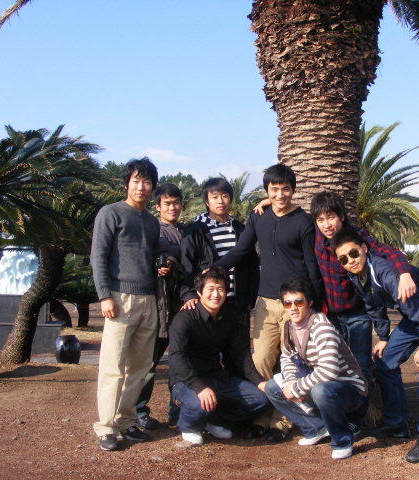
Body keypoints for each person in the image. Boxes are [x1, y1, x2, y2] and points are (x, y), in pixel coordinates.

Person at [330, 228, 419, 464]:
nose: (350, 261)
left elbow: (418, 307)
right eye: (343, 259)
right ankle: (396, 423)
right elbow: (373, 305)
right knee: (384, 361)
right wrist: (383, 337)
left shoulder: (385, 272)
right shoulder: (357, 276)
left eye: (353, 253)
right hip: (417, 316)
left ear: (364, 248)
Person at [213, 164, 324, 442]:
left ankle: (281, 421)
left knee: (290, 362)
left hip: (294, 305)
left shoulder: (303, 221)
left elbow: (311, 265)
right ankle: (260, 417)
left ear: (293, 190)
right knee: (261, 360)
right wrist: (215, 269)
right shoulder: (258, 216)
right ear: (267, 191)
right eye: (274, 189)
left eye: (286, 189)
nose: (280, 194)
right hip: (265, 301)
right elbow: (242, 249)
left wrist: (317, 304)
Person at [309, 192, 416, 435]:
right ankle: (337, 417)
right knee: (333, 367)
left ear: (342, 216)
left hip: (358, 315)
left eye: (331, 217)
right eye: (321, 219)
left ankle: (357, 420)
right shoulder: (315, 236)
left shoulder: (356, 237)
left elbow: (388, 252)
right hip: (331, 317)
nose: (327, 224)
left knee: (360, 368)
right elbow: (288, 212)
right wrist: (268, 201)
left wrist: (404, 273)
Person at [90, 157, 168, 452]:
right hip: (119, 299)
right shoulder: (110, 213)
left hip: (148, 299)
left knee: (139, 367)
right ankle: (106, 428)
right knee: (113, 367)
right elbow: (98, 256)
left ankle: (126, 420)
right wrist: (104, 296)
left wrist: (168, 260)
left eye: (147, 182)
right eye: (136, 180)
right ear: (126, 184)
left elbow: (156, 251)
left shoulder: (151, 221)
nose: (141, 186)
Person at [264, 277, 368, 460]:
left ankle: (342, 441)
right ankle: (317, 428)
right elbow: (287, 357)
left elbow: (329, 371)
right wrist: (290, 383)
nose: (293, 308)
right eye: (288, 303)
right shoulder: (290, 327)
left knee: (321, 391)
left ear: (310, 302)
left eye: (299, 302)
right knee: (273, 387)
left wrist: (297, 388)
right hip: (318, 383)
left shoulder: (321, 327)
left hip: (348, 388)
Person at [168, 267, 270, 445]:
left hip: (215, 377)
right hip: (186, 380)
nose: (216, 294)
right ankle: (188, 425)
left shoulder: (228, 318)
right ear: (199, 292)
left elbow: (240, 356)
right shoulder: (184, 318)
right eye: (210, 289)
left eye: (220, 289)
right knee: (198, 404)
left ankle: (212, 419)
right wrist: (199, 387)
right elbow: (176, 356)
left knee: (261, 400)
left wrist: (260, 382)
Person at [134, 183, 186, 430]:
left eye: (176, 202)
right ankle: (138, 411)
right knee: (148, 363)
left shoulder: (188, 231)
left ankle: (178, 411)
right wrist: (160, 264)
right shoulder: (152, 230)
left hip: (183, 307)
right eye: (167, 203)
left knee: (181, 362)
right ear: (157, 206)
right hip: (157, 307)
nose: (172, 207)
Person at [180, 177, 259, 334]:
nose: (220, 201)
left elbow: (252, 265)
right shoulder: (196, 231)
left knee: (238, 348)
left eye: (225, 196)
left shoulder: (241, 230)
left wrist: (250, 299)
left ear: (231, 198)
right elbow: (186, 265)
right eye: (214, 197)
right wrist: (188, 295)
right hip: (207, 304)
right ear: (207, 201)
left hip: (238, 305)